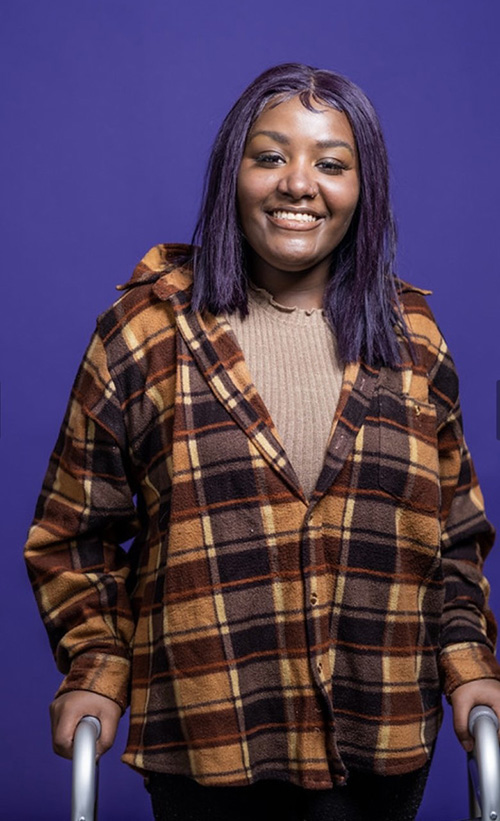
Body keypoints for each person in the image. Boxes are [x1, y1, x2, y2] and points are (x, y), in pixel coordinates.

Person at [25, 63, 500, 821]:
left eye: (331, 164)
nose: (298, 184)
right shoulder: (143, 336)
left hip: (381, 734)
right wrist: (97, 664)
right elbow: (71, 536)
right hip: (207, 738)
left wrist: (469, 661)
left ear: (362, 188)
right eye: (271, 156)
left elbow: (454, 539)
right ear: (233, 174)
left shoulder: (415, 341)